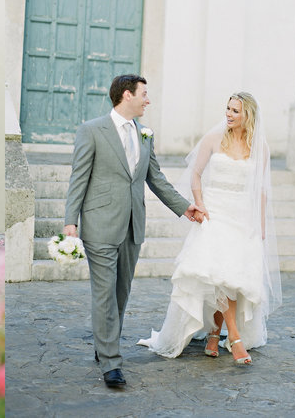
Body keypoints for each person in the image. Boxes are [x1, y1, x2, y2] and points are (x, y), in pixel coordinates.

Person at [63, 74, 203, 389]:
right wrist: (70, 220)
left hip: (132, 225)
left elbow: (156, 177)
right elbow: (78, 177)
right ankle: (111, 363)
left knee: (121, 293)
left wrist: (184, 207)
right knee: (104, 294)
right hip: (99, 224)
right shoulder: (91, 130)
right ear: (127, 95)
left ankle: (105, 344)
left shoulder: (145, 134)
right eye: (144, 94)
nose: (148, 100)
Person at [137, 92, 282, 365]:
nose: (228, 114)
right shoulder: (213, 139)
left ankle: (215, 332)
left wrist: (260, 225)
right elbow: (195, 173)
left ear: (247, 115)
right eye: (227, 108)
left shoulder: (259, 146)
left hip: (242, 217)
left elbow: (261, 190)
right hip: (215, 213)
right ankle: (235, 338)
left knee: (229, 276)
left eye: (235, 111)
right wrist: (200, 204)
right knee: (219, 273)